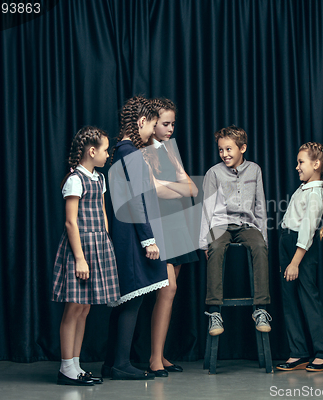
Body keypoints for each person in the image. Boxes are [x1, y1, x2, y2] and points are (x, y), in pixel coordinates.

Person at [102, 96, 178, 380]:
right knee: (131, 299)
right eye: (152, 125)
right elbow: (137, 201)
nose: (152, 132)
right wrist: (149, 240)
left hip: (126, 231)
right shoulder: (129, 152)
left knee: (126, 298)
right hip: (132, 233)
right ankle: (120, 364)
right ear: (141, 122)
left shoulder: (122, 151)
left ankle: (111, 363)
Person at [52, 126, 120, 386]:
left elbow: (102, 213)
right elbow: (71, 222)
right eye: (104, 150)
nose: (107, 155)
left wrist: (104, 241)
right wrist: (80, 258)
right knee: (74, 307)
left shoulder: (99, 179)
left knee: (85, 308)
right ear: (92, 151)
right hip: (79, 248)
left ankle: (76, 365)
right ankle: (66, 367)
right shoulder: (75, 179)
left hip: (97, 246)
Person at [141, 98, 199, 376]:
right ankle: (153, 358)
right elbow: (154, 191)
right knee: (168, 289)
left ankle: (160, 355)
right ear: (152, 124)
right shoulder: (142, 152)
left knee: (169, 295)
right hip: (158, 226)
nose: (170, 128)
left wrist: (171, 186)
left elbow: (192, 188)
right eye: (165, 123)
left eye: (173, 123)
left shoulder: (169, 150)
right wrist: (174, 186)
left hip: (176, 224)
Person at [200, 125, 271, 336]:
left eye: (229, 149)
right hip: (220, 224)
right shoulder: (213, 173)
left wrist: (264, 237)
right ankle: (214, 312)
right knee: (216, 247)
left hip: (247, 224)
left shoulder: (255, 170)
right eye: (221, 149)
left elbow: (260, 205)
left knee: (259, 246)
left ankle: (260, 309)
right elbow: (207, 208)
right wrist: (205, 242)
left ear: (243, 148)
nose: (224, 154)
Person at [276, 142, 323, 372]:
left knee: (309, 299)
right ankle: (298, 352)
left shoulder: (316, 193)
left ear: (316, 164)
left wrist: (294, 262)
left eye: (301, 162)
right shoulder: (304, 188)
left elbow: (308, 229)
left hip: (301, 250)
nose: (297, 167)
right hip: (288, 244)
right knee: (289, 301)